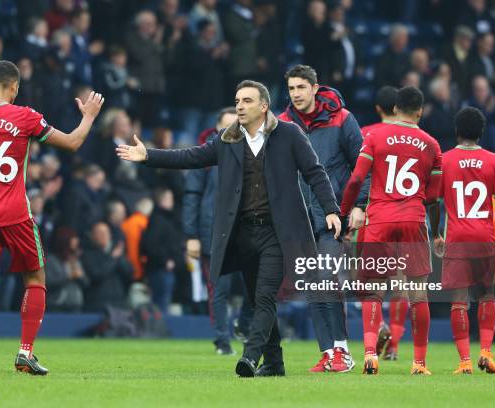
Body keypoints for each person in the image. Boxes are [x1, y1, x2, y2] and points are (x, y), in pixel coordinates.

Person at [117, 80, 341, 377]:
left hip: (277, 232)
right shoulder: (228, 139)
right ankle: (274, 364)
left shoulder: (289, 134)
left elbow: (315, 172)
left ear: (264, 106)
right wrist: (149, 156)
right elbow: (192, 157)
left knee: (264, 297)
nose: (239, 106)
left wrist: (331, 210)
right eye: (237, 100)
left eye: (247, 100)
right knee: (257, 299)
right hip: (243, 233)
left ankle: (249, 357)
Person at [0, 60, 104, 376]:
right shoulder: (25, 116)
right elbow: (72, 142)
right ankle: (24, 353)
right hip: (16, 215)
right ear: (14, 87)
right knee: (35, 278)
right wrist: (89, 118)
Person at [340, 86, 442, 375]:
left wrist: (345, 212)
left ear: (395, 108)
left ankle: (371, 354)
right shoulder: (433, 145)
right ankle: (419, 363)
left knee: (373, 293)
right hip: (413, 221)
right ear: (420, 111)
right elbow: (434, 199)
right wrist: (436, 232)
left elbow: (357, 179)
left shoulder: (374, 136)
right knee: (417, 294)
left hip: (379, 219)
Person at [278, 64, 366, 373]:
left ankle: (342, 350)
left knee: (327, 278)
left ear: (315, 88)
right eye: (291, 89)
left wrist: (361, 205)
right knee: (313, 283)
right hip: (299, 219)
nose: (296, 94)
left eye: (301, 87)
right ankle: (328, 352)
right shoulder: (283, 123)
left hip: (334, 216)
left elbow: (362, 164)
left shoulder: (343, 119)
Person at [429, 107, 495, 375]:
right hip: (485, 236)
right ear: (482, 132)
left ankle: (464, 362)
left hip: (458, 237)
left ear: (456, 131)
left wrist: (436, 233)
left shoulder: (446, 160)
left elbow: (434, 202)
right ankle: (486, 352)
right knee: (487, 295)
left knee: (459, 300)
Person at [183, 107, 252, 355]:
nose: (232, 131)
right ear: (216, 129)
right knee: (219, 290)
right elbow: (192, 195)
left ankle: (243, 325)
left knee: (255, 288)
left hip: (246, 232)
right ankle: (222, 341)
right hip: (213, 231)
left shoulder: (252, 153)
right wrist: (191, 235)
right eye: (226, 126)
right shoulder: (206, 157)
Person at [359, 86, 410, 361]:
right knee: (401, 284)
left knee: (368, 283)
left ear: (379, 108)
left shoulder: (365, 133)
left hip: (373, 215)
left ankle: (378, 327)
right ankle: (394, 347)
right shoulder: (417, 137)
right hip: (406, 216)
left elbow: (355, 174)